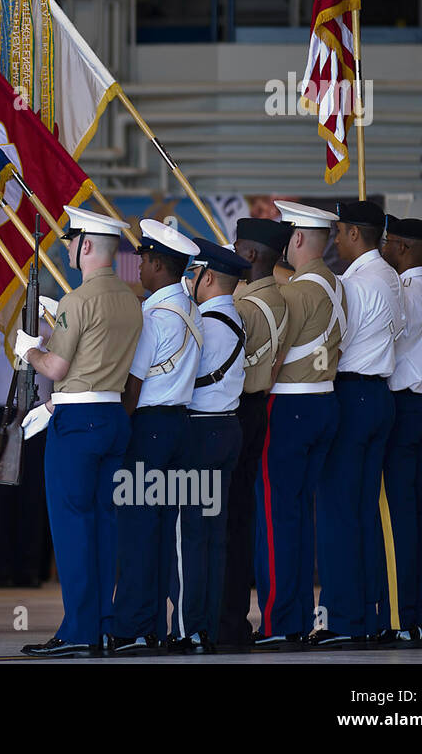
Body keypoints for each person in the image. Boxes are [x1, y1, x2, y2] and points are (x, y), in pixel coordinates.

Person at [15, 206, 140, 659]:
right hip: (112, 418)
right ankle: (104, 627)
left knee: (72, 528)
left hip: (77, 424)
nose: (68, 247)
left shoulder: (76, 300)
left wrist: (30, 350)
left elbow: (58, 367)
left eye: (71, 240)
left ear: (86, 246)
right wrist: (56, 329)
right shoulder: (131, 298)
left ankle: (78, 630)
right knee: (105, 526)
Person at [253, 201, 345, 650]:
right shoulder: (334, 285)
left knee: (276, 518)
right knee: (301, 519)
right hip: (325, 404)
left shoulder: (296, 294)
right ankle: (300, 616)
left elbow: (269, 360)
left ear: (299, 238)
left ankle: (278, 622)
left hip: (288, 409)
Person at [313, 200, 401, 649]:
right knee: (364, 512)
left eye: (338, 232)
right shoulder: (389, 277)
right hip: (381, 395)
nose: (333, 240)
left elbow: (332, 342)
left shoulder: (353, 284)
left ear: (351, 234)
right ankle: (368, 615)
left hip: (349, 395)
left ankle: (343, 619)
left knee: (337, 513)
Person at [112, 219, 202, 656]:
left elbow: (132, 386)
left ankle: (131, 626)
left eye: (144, 261)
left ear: (160, 265)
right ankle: (158, 626)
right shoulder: (191, 309)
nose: (139, 269)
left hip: (148, 429)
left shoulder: (152, 317)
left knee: (136, 529)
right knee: (164, 530)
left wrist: (119, 432)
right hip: (181, 427)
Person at [171, 239, 250, 654]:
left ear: (209, 277)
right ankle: (209, 627)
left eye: (193, 274)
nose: (189, 282)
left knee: (188, 536)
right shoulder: (233, 320)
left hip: (199, 433)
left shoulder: (205, 324)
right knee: (214, 536)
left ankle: (188, 628)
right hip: (228, 429)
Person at [219, 216, 291, 649]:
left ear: (248, 255)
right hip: (259, 408)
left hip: (237, 410)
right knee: (243, 518)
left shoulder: (243, 306)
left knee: (226, 521)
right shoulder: (280, 298)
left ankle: (225, 619)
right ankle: (235, 618)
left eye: (236, 245)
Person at [377, 216, 422, 644]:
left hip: (401, 405)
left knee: (395, 515)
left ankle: (400, 619)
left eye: (387, 241)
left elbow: (390, 340)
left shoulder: (403, 292)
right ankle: (419, 613)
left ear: (402, 247)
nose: (382, 246)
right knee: (418, 513)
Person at [0, 326, 50, 588]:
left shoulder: (47, 322)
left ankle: (29, 566)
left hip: (38, 412)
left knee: (33, 492)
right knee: (0, 492)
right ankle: (0, 567)